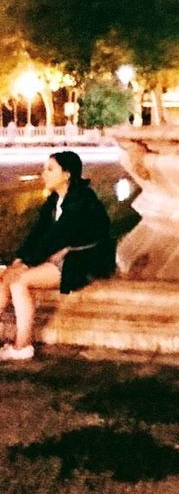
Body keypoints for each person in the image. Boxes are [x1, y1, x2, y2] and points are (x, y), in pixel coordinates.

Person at [0, 150, 113, 360]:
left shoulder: (81, 199)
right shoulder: (54, 200)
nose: (44, 173)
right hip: (58, 258)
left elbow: (57, 237)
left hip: (80, 262)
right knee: (6, 277)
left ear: (67, 174)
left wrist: (24, 265)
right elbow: (38, 234)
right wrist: (20, 259)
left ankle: (22, 346)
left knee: (18, 281)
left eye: (50, 169)